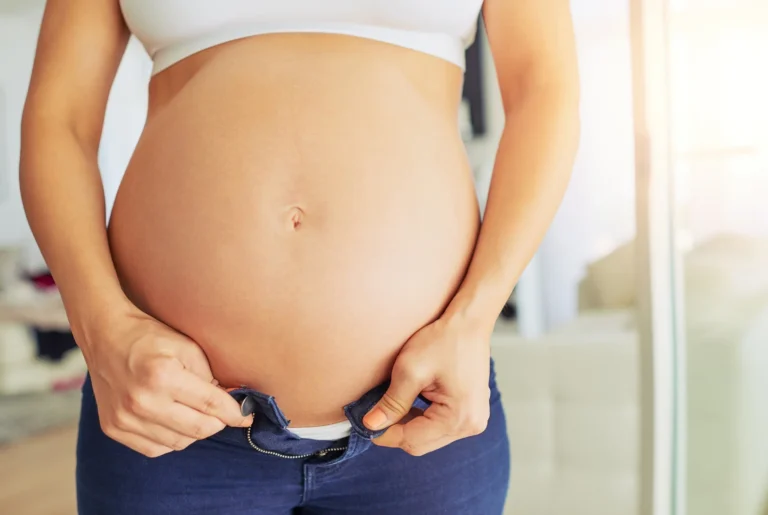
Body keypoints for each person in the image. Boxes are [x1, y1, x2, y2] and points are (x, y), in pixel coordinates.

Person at [19, 1, 579, 513]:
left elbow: (544, 91)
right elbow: (58, 121)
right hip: (167, 420)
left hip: (420, 420)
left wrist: (473, 321)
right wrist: (102, 330)